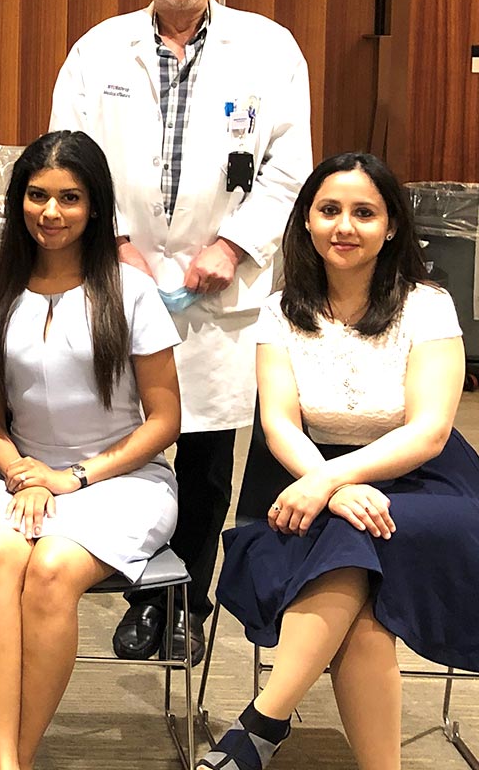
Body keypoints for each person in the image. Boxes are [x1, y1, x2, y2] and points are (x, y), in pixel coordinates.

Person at [49, 0, 313, 662]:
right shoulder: (100, 51)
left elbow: (290, 164)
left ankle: (178, 605)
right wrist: (115, 242)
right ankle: (122, 574)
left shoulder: (268, 48)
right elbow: (67, 152)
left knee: (202, 460)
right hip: (117, 279)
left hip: (217, 294)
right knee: (120, 441)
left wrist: (233, 245)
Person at [202, 153, 478, 770]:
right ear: (306, 222)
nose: (344, 226)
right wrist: (325, 480)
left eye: (364, 212)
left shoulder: (427, 305)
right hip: (306, 473)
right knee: (360, 589)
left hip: (425, 483)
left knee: (353, 541)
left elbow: (431, 431)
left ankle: (261, 726)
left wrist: (330, 481)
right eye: (329, 210)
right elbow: (278, 424)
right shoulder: (280, 310)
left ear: (392, 227)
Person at [0, 130, 182, 770]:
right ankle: (4, 761)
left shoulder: (132, 293)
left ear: (95, 206)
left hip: (123, 478)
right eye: (37, 196)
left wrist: (74, 478)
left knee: (53, 567)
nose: (51, 212)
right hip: (27, 477)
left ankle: (17, 761)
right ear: (18, 202)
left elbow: (165, 420)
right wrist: (23, 476)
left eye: (70, 197)